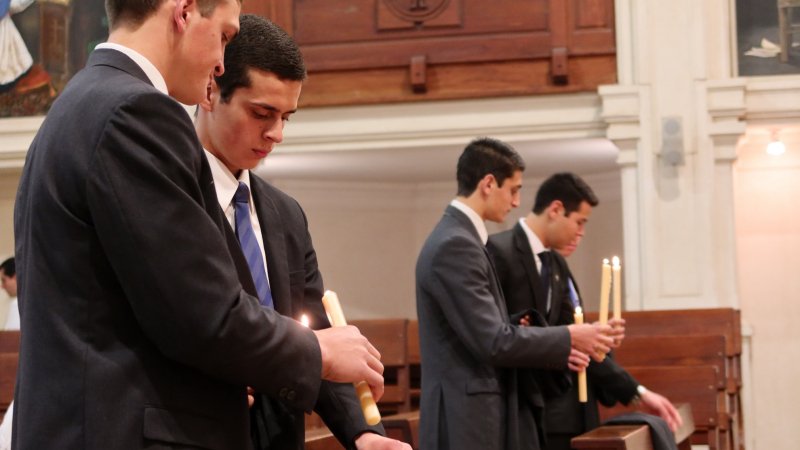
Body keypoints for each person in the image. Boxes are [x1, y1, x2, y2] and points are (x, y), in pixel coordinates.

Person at [13, 1, 384, 448]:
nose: (221, 63)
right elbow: (202, 314)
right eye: (224, 36)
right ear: (184, 11)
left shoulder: (80, 103)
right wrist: (319, 350)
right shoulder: (134, 110)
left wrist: (362, 431)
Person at [195, 14, 409, 450]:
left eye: (286, 118)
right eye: (261, 113)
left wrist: (363, 433)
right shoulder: (174, 195)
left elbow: (318, 339)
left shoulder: (285, 213)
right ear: (211, 91)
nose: (276, 134)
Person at [415, 139, 618, 450]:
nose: (516, 201)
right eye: (513, 189)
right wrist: (570, 336)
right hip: (465, 419)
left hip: (474, 414)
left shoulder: (462, 238)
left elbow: (475, 331)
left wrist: (515, 323)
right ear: (488, 184)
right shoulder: (456, 244)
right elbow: (492, 341)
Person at [487, 172, 682, 450]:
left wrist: (598, 339)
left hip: (561, 406)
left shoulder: (556, 263)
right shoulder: (498, 251)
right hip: (519, 408)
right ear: (556, 210)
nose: (582, 231)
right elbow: (493, 333)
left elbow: (573, 332)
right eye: (579, 221)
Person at [0, 258, 17, 330]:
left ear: (16, 277)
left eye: (4, 280)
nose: (2, 286)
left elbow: (10, 335)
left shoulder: (17, 304)